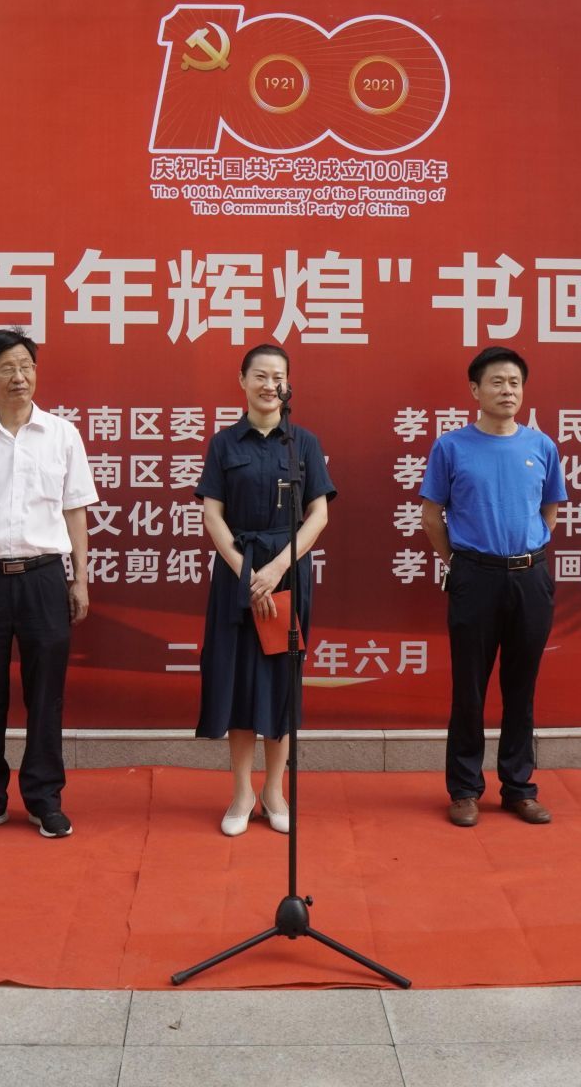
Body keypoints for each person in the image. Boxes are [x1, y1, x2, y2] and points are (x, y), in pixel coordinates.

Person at [0, 329, 97, 839]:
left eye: (26, 365)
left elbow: (75, 512)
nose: (19, 376)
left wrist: (80, 580)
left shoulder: (62, 436)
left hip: (45, 578)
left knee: (45, 696)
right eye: (6, 367)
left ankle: (44, 800)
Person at [420, 346, 567, 827]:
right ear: (475, 390)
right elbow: (431, 515)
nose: (508, 391)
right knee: (469, 687)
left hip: (530, 578)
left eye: (515, 383)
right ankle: (464, 789)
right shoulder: (451, 447)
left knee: (521, 687)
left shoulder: (541, 447)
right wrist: (460, 564)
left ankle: (519, 787)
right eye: (497, 382)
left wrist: (525, 552)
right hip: (474, 577)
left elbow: (549, 511)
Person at [194, 343, 336, 836]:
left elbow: (319, 515)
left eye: (278, 376)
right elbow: (212, 514)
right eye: (260, 375)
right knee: (236, 682)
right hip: (237, 573)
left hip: (287, 572)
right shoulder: (223, 444)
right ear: (242, 381)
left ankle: (274, 791)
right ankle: (241, 793)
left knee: (280, 683)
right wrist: (245, 571)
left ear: (288, 385)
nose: (269, 384)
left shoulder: (303, 443)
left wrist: (275, 570)